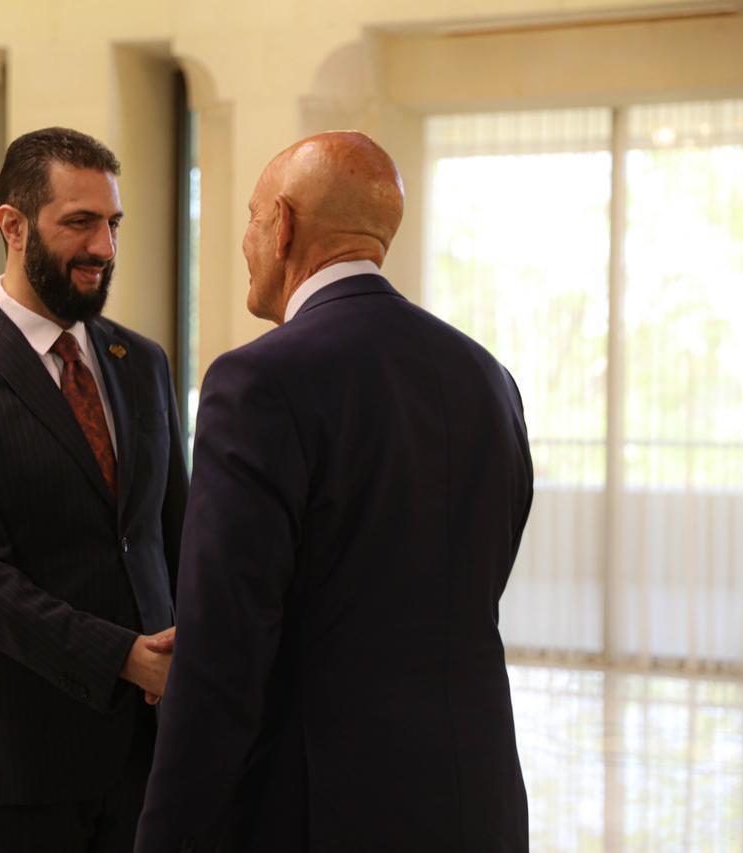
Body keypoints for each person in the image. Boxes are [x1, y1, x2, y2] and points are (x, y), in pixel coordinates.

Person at [135, 132, 532, 852]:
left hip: (324, 807)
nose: (246, 242)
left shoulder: (256, 382)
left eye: (252, 218)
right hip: (478, 797)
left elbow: (223, 663)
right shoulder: (487, 377)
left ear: (284, 225)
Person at [0, 126, 188, 853]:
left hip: (148, 746)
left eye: (113, 223)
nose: (104, 247)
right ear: (13, 225)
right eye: (80, 222)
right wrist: (124, 655)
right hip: (15, 753)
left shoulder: (142, 362)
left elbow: (174, 535)